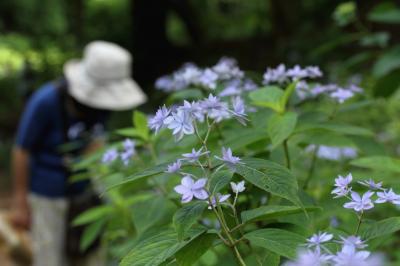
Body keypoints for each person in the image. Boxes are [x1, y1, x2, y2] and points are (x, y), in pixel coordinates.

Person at [11, 41, 147, 266]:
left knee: (91, 256)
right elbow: (21, 150)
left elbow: (96, 144)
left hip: (85, 194)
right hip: (48, 194)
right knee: (49, 257)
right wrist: (20, 201)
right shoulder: (45, 102)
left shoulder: (102, 107)